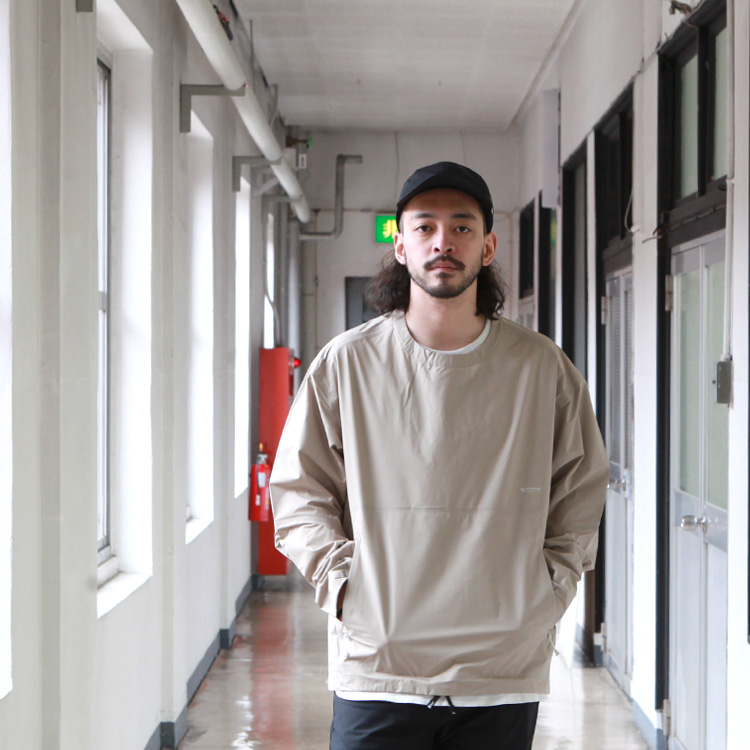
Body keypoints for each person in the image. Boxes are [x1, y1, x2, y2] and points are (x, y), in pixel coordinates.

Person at [270, 162, 609, 750]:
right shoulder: (347, 363)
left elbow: (580, 488)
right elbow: (299, 490)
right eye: (424, 227)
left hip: (500, 670)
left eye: (461, 227)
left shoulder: (540, 367)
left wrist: (547, 593)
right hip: (378, 667)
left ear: (488, 246)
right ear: (400, 246)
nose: (442, 242)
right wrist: (344, 587)